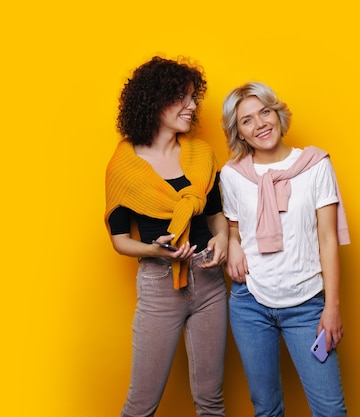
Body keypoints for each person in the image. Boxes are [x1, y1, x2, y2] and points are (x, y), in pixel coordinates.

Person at [104, 56, 228, 417]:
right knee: (141, 404)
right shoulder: (123, 166)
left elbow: (216, 216)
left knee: (211, 401)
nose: (192, 106)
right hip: (159, 286)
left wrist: (221, 241)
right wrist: (153, 250)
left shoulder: (202, 154)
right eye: (182, 98)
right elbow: (119, 239)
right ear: (154, 100)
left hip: (209, 281)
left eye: (194, 98)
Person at [219, 81, 350, 417]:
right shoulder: (233, 175)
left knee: (330, 410)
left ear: (277, 114)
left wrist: (331, 307)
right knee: (266, 408)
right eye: (247, 120)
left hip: (307, 304)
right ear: (240, 133)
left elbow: (327, 238)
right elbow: (234, 228)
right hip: (250, 304)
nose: (260, 123)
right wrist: (233, 244)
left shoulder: (315, 164)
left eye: (264, 111)